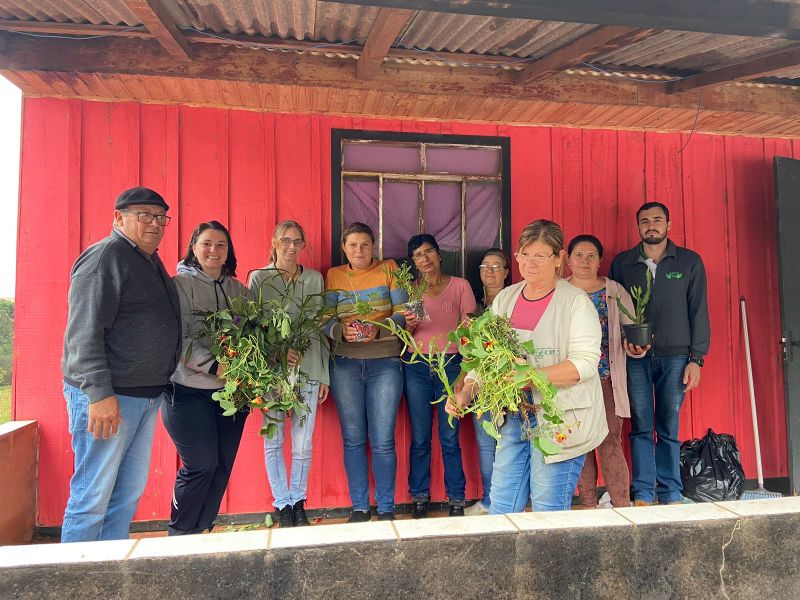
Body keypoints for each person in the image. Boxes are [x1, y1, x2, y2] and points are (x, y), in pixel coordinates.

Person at [448, 220, 608, 513]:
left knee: (547, 508)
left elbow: (584, 364)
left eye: (540, 256)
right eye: (524, 254)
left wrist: (531, 376)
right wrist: (468, 390)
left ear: (559, 258)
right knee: (502, 506)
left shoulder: (575, 302)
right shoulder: (506, 299)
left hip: (560, 418)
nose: (530, 263)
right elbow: (487, 356)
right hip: (513, 416)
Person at [61, 187, 181, 542]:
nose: (155, 224)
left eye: (161, 217)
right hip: (110, 398)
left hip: (144, 397)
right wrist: (99, 394)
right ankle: (73, 582)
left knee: (125, 496)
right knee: (92, 496)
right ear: (118, 217)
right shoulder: (106, 258)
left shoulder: (147, 259)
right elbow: (84, 332)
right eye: (145, 215)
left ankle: (108, 576)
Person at [609, 202, 710, 506]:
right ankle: (642, 492)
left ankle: (670, 492)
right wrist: (625, 341)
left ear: (669, 224)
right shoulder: (623, 263)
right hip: (636, 358)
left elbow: (699, 310)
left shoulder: (689, 262)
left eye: (657, 220)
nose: (650, 226)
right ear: (637, 226)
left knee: (668, 425)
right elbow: (616, 311)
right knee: (640, 425)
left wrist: (697, 358)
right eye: (644, 221)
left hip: (676, 357)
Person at [164, 221, 250, 535]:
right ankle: (179, 532)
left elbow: (254, 334)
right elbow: (177, 338)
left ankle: (203, 530)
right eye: (207, 244)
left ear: (229, 251)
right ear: (194, 248)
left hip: (232, 394)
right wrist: (216, 367)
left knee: (222, 466)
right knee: (201, 464)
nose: (214, 250)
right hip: (188, 390)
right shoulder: (179, 286)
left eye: (221, 245)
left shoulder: (240, 291)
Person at [324, 222, 407, 522]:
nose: (359, 250)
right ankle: (360, 507)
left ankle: (385, 509)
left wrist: (379, 328)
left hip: (385, 362)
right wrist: (340, 331)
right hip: (345, 363)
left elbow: (404, 314)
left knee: (383, 440)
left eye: (365, 245)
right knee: (353, 438)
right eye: (353, 245)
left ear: (374, 247)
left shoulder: (389, 269)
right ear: (344, 248)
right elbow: (323, 319)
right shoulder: (334, 275)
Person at [249, 220, 329, 528]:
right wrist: (277, 353)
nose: (291, 246)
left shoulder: (313, 279)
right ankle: (281, 503)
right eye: (285, 240)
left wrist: (323, 375)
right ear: (274, 242)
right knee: (274, 439)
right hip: (271, 374)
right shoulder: (260, 279)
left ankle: (298, 501)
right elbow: (253, 328)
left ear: (303, 245)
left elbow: (319, 327)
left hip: (307, 371)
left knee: (303, 443)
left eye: (297, 241)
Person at [567, 234, 643, 508]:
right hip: (571, 380)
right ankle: (588, 504)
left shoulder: (614, 291)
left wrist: (634, 345)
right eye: (579, 255)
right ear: (568, 258)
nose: (584, 261)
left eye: (591, 256)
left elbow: (631, 329)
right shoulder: (559, 291)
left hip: (606, 378)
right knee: (580, 442)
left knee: (610, 440)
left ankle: (622, 505)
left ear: (600, 260)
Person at [403, 234, 476, 518]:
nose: (425, 259)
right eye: (418, 255)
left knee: (449, 435)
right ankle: (419, 497)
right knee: (420, 436)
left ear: (439, 254)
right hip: (417, 363)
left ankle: (456, 498)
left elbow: (468, 332)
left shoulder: (460, 286)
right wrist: (406, 325)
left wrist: (463, 373)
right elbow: (409, 333)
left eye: (429, 252)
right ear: (413, 262)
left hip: (451, 363)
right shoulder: (412, 290)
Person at [465, 248, 510, 516]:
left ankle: (508, 500)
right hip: (479, 384)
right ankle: (489, 501)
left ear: (506, 271)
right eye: (485, 266)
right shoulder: (474, 305)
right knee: (486, 443)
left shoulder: (517, 300)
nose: (490, 271)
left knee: (510, 442)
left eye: (496, 266)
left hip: (510, 382)